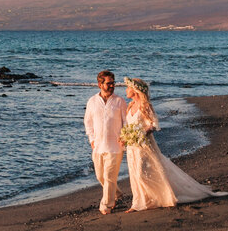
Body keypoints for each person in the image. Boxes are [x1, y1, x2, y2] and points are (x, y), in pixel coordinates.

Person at [122, 76, 215, 211]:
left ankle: (159, 197)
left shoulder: (145, 106)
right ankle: (138, 202)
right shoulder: (130, 106)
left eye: (128, 87)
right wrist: (126, 136)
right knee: (134, 173)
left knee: (143, 173)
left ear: (135, 90)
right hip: (132, 146)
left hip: (144, 144)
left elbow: (153, 124)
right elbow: (128, 125)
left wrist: (142, 133)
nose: (126, 90)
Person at [84, 69, 127, 214]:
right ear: (100, 84)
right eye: (109, 83)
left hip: (115, 146)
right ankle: (117, 194)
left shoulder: (120, 101)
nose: (112, 86)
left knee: (109, 177)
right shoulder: (92, 101)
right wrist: (91, 139)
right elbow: (88, 122)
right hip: (98, 146)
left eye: (113, 83)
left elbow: (126, 122)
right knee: (100, 177)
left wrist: (124, 138)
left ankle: (106, 206)